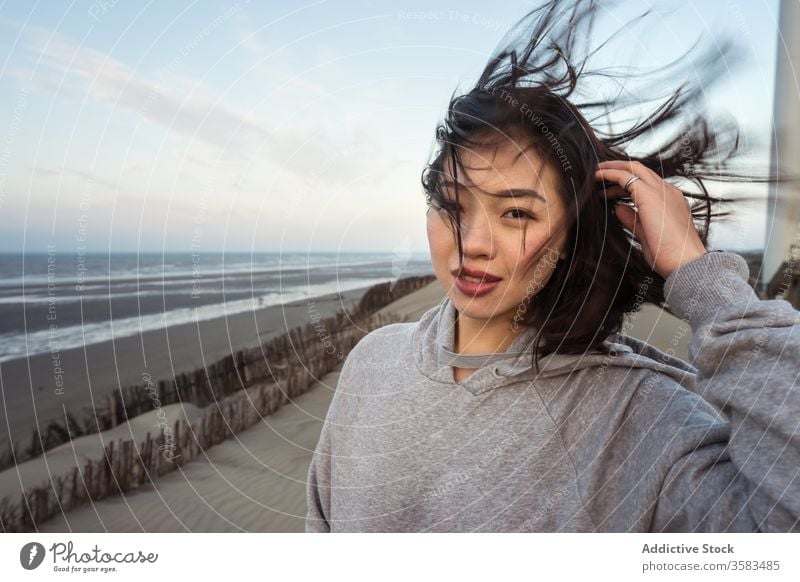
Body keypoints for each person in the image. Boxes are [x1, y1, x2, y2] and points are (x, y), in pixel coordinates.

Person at [305, 0, 800, 532]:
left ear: (570, 236)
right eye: (452, 205)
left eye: (516, 213)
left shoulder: (638, 419)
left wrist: (699, 277)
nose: (472, 243)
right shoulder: (372, 363)